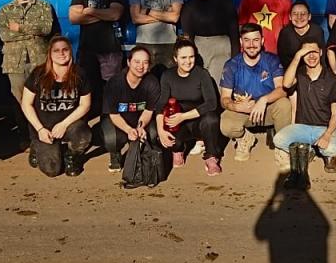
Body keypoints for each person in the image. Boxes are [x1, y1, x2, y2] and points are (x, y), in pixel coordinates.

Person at [0, 0, 54, 152]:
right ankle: (25, 137)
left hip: (39, 60)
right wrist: (32, 31)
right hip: (15, 62)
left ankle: (44, 133)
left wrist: (20, 27)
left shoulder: (44, 6)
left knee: (43, 97)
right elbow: (5, 34)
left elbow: (46, 29)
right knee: (19, 100)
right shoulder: (5, 10)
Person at [21, 36, 93, 178]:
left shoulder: (79, 74)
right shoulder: (38, 74)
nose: (61, 53)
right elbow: (26, 104)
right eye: (56, 50)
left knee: (84, 134)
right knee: (52, 170)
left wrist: (64, 124)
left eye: (65, 50)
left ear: (70, 52)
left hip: (68, 125)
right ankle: (36, 146)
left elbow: (85, 105)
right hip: (43, 129)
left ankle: (71, 156)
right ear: (50, 54)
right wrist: (40, 129)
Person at [219, 23, 292, 161]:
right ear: (241, 42)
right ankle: (245, 138)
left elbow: (282, 90)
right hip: (244, 112)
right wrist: (236, 106)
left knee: (284, 104)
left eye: (256, 40)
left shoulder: (272, 60)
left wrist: (263, 100)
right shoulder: (231, 65)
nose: (251, 44)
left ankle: (282, 146)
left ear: (262, 41)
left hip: (267, 110)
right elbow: (224, 99)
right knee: (225, 123)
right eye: (247, 40)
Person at [275, 41, 336, 189]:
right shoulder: (300, 74)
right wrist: (298, 56)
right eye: (306, 52)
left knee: (330, 149)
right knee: (278, 139)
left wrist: (327, 135)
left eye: (315, 52)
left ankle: (319, 153)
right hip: (302, 126)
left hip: (323, 127)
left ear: (321, 53)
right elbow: (286, 84)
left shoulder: (332, 79)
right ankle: (307, 152)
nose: (311, 56)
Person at [69, 0, 128, 116]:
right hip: (87, 50)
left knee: (111, 89)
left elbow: (115, 14)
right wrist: (104, 14)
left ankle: (110, 122)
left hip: (110, 50)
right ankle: (88, 122)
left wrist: (89, 11)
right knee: (86, 89)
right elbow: (74, 18)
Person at [156, 38, 224, 175]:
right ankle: (178, 149)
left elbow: (212, 103)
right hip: (178, 123)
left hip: (198, 121)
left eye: (191, 57)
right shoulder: (167, 76)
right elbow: (160, 104)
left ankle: (211, 157)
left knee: (212, 119)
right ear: (175, 58)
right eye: (183, 57)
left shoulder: (202, 74)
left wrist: (183, 116)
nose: (188, 61)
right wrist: (160, 130)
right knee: (167, 118)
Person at [102, 46, 161, 173]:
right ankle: (115, 153)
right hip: (119, 121)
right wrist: (128, 130)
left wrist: (140, 127)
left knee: (153, 133)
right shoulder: (115, 83)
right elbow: (114, 114)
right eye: (137, 62)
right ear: (129, 62)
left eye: (145, 62)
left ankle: (138, 151)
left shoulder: (152, 82)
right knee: (111, 138)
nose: (141, 66)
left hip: (139, 120)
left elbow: (148, 110)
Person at [180, 0, 239, 85]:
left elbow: (234, 33)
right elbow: (188, 36)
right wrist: (190, 56)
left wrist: (235, 58)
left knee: (218, 86)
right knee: (201, 87)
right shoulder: (188, 6)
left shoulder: (225, 1)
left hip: (222, 48)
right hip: (198, 48)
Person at [276, 0, 325, 69]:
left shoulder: (317, 31)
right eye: (295, 14)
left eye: (303, 14)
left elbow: (322, 57)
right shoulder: (285, 33)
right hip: (292, 70)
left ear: (309, 16)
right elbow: (283, 59)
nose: (299, 17)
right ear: (290, 17)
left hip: (313, 70)